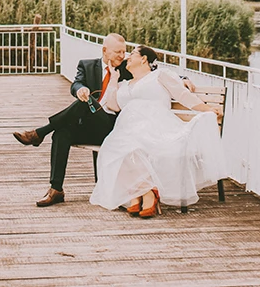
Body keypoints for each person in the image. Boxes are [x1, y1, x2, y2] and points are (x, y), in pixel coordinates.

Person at [89, 45, 225, 219]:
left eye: (132, 54)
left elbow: (183, 95)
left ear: (144, 59)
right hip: (128, 128)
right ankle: (146, 191)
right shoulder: (125, 84)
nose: (127, 58)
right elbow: (114, 106)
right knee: (114, 148)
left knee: (134, 145)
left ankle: (143, 194)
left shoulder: (159, 76)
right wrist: (114, 79)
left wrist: (206, 109)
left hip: (157, 125)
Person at [13, 33, 131, 207]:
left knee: (85, 102)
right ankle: (56, 189)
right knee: (62, 132)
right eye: (117, 52)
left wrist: (181, 80)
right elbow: (76, 84)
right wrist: (80, 89)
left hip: (112, 127)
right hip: (91, 126)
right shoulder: (87, 65)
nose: (122, 56)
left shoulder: (128, 67)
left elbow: (153, 71)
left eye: (124, 51)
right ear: (105, 50)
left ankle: (39, 133)